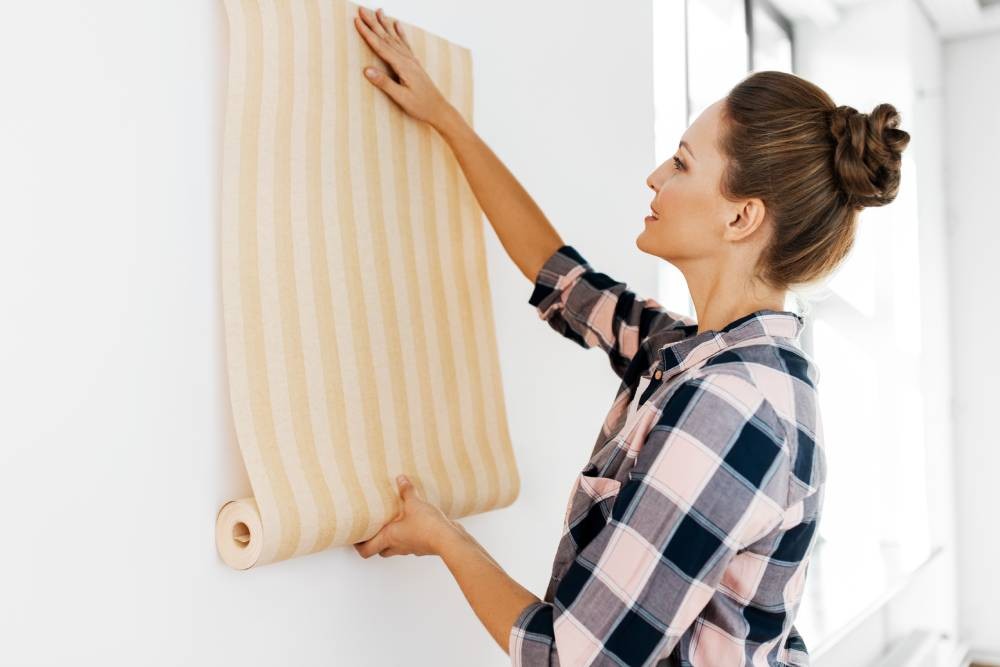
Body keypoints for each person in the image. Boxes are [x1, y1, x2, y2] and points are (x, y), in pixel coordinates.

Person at [350, 6, 911, 666]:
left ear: (741, 215)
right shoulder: (702, 359)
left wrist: (445, 537)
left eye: (681, 162)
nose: (655, 177)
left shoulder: (728, 408)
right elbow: (561, 278)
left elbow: (575, 658)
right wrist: (444, 117)